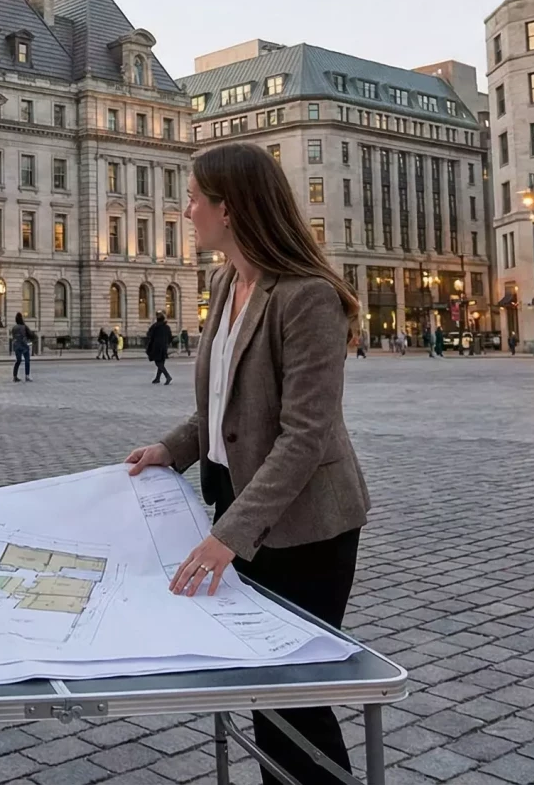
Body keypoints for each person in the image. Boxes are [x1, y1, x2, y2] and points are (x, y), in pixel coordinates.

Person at [123, 143, 370, 785]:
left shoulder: (307, 296)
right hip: (239, 508)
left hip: (307, 527)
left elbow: (306, 434)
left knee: (295, 700)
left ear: (228, 209)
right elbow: (224, 406)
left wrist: (228, 536)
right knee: (263, 693)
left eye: (195, 198)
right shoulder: (225, 281)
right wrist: (171, 450)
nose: (186, 210)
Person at [145, 311, 174, 385]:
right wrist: (167, 343)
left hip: (156, 347)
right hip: (164, 347)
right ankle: (157, 378)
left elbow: (149, 335)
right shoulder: (167, 327)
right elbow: (170, 337)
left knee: (158, 363)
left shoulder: (155, 326)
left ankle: (167, 376)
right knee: (161, 362)